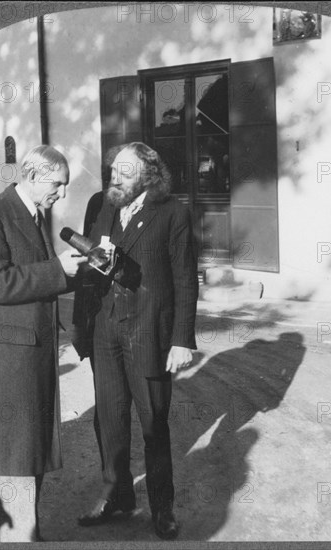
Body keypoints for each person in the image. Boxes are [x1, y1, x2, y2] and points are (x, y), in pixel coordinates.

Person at [0, 145, 86, 542]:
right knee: (15, 458)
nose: (62, 194)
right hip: (7, 366)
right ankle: (19, 538)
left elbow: (33, 276)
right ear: (32, 176)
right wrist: (56, 270)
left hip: (29, 361)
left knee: (30, 456)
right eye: (58, 185)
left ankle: (26, 534)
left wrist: (76, 269)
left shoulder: (32, 215)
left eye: (65, 186)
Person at [72, 142, 198, 540]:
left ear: (149, 174)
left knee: (153, 424)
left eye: (126, 170)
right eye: (114, 168)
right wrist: (81, 325)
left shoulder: (173, 212)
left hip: (149, 332)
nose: (116, 175)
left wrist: (181, 339)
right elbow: (87, 264)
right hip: (105, 328)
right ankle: (117, 496)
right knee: (107, 419)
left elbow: (183, 278)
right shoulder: (102, 204)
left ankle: (162, 508)